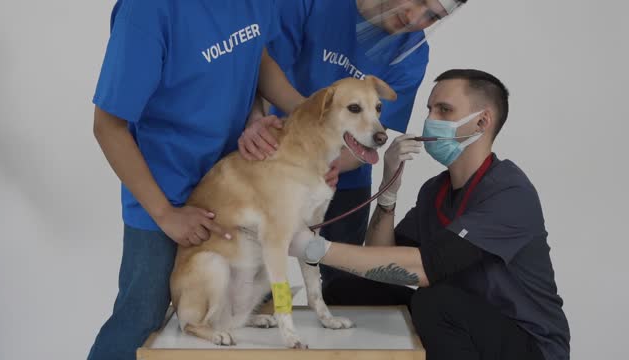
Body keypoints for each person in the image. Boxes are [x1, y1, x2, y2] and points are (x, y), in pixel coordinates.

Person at [289, 69, 570, 360]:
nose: (430, 121)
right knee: (348, 288)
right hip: (462, 324)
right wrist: (388, 192)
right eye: (429, 109)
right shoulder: (436, 190)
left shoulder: (509, 192)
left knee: (435, 301)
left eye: (444, 110)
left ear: (482, 121)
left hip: (528, 344)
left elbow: (426, 269)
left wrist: (312, 247)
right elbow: (380, 261)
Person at [87, 0, 307, 359]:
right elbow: (108, 127)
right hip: (164, 194)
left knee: (240, 323)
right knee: (142, 319)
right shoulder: (148, 11)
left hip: (234, 189)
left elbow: (256, 53)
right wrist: (164, 214)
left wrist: (297, 114)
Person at [238, 0, 470, 296]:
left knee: (342, 284)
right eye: (419, 1)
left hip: (340, 177)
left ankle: (332, 333)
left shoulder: (411, 54)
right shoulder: (315, 6)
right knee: (254, 270)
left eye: (432, 16)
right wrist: (260, 121)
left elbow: (373, 137)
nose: (414, 17)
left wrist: (326, 164)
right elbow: (262, 67)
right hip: (273, 158)